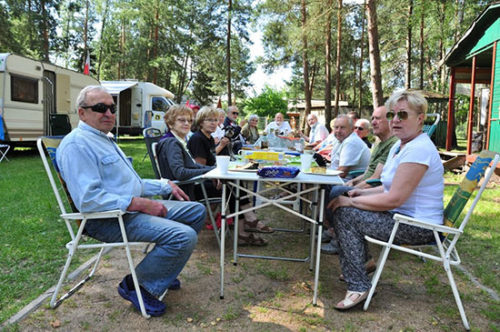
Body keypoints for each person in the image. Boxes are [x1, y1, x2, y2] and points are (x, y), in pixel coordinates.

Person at [56, 86, 206, 317]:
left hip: (125, 211)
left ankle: (161, 268)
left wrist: (166, 185)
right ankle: (138, 286)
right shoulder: (78, 144)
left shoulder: (104, 139)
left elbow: (130, 185)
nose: (108, 113)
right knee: (183, 236)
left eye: (111, 108)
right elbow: (89, 200)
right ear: (82, 113)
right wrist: (142, 204)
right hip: (104, 219)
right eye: (99, 108)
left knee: (195, 211)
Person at [327, 89, 444, 310]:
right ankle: (361, 266)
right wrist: (359, 193)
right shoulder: (401, 145)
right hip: (401, 216)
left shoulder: (418, 149)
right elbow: (386, 186)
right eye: (392, 115)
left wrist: (352, 202)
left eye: (403, 115)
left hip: (419, 226)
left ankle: (359, 284)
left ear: (420, 119)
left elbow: (394, 199)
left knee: (345, 213)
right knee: (343, 200)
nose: (396, 120)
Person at [188, 106, 274, 245]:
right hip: (199, 185)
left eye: (215, 120)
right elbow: (201, 169)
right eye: (208, 120)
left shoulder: (208, 138)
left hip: (209, 179)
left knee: (234, 183)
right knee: (233, 186)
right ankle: (246, 225)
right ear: (200, 121)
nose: (213, 123)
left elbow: (212, 159)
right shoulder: (198, 139)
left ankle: (244, 228)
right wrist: (217, 177)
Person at [321, 106, 398, 254]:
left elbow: (376, 178)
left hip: (376, 189)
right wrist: (354, 182)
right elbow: (368, 171)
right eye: (373, 118)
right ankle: (331, 228)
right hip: (366, 183)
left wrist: (356, 187)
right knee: (332, 186)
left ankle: (337, 236)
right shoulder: (380, 143)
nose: (373, 122)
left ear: (390, 121)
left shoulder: (392, 144)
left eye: (378, 119)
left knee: (336, 189)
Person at [157, 104, 214, 198]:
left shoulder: (178, 140)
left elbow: (192, 165)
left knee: (228, 184)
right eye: (181, 120)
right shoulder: (172, 143)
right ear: (170, 123)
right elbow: (180, 173)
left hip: (187, 185)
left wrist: (212, 170)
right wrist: (209, 172)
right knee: (229, 186)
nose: (187, 123)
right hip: (182, 191)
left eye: (190, 120)